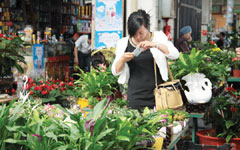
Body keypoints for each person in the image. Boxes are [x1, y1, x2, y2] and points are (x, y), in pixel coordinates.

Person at [111, 9, 179, 111]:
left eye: (141, 33)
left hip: (158, 95)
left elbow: (175, 55)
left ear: (147, 27)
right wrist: (122, 59)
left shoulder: (158, 37)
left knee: (159, 125)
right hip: (135, 96)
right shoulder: (123, 43)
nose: (138, 37)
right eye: (134, 33)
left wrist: (155, 45)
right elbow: (115, 71)